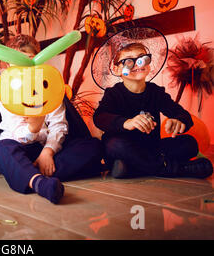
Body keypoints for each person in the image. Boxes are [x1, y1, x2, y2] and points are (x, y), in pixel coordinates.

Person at [0, 34, 104, 204]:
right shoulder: (6, 92)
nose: (25, 66)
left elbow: (59, 125)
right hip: (20, 147)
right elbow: (13, 131)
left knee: (92, 146)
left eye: (29, 59)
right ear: (8, 65)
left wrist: (48, 151)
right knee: (2, 150)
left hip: (49, 150)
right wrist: (32, 129)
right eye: (18, 61)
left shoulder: (49, 87)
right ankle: (39, 182)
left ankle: (26, 173)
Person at [91, 27, 213, 179]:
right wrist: (126, 122)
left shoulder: (155, 92)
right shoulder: (114, 93)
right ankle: (174, 169)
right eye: (129, 61)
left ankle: (132, 168)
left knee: (190, 143)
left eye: (142, 58)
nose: (138, 64)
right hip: (125, 146)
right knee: (114, 145)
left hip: (152, 148)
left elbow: (182, 114)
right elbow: (99, 117)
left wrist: (179, 121)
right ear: (117, 69)